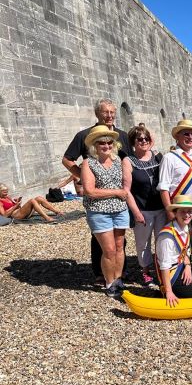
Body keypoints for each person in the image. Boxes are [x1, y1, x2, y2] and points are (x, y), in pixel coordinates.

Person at [62, 98, 132, 285]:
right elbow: (67, 160)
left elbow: (128, 161)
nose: (109, 115)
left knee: (119, 242)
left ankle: (119, 273)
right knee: (100, 238)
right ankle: (100, 273)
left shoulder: (122, 135)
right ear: (97, 114)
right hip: (97, 200)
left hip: (119, 201)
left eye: (112, 112)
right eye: (105, 112)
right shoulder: (84, 135)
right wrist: (84, 177)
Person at [80, 125, 131, 296]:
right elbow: (90, 190)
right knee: (108, 250)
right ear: (95, 145)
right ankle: (110, 283)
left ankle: (118, 280)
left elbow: (126, 184)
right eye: (102, 142)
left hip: (120, 209)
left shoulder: (119, 161)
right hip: (99, 211)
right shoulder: (88, 163)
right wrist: (117, 192)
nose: (106, 145)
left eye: (110, 142)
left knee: (119, 247)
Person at [125, 125, 167, 286]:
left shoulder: (157, 156)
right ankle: (146, 272)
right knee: (143, 244)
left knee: (162, 241)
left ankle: (162, 270)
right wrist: (136, 212)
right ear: (133, 142)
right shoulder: (129, 161)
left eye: (146, 138)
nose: (144, 141)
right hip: (143, 209)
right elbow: (126, 190)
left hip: (161, 209)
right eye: (139, 139)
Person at [157, 119, 192, 241]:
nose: (190, 137)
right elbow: (163, 188)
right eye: (186, 134)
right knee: (182, 240)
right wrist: (169, 211)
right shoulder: (169, 158)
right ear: (177, 136)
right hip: (181, 208)